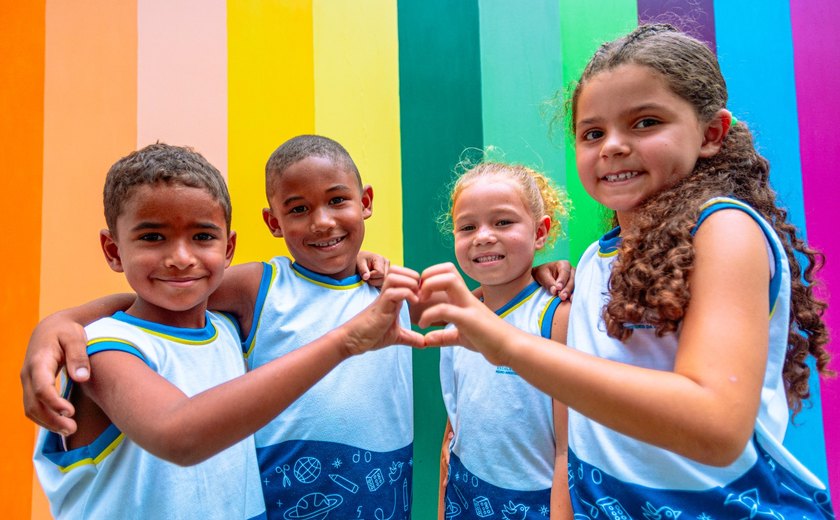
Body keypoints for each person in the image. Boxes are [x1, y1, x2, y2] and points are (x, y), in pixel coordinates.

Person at [417, 24, 834, 517]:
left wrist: (502, 341)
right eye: (593, 133)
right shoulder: (594, 262)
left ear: (711, 133)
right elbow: (583, 440)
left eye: (645, 122)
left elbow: (715, 426)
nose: (612, 146)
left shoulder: (723, 228)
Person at [33, 143, 423, 519]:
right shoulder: (100, 352)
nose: (181, 259)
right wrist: (56, 325)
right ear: (114, 250)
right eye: (153, 237)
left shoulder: (223, 330)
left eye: (202, 237)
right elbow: (180, 436)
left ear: (228, 248)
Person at [436, 161, 573, 519]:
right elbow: (452, 433)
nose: (483, 236)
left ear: (540, 232)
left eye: (503, 222)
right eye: (468, 227)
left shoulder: (554, 317)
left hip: (538, 503)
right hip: (465, 497)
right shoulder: (458, 317)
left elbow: (568, 449)